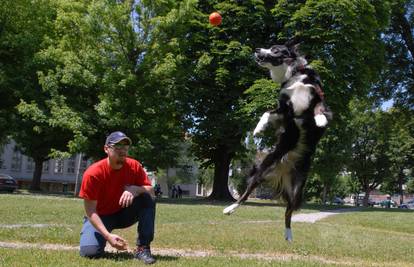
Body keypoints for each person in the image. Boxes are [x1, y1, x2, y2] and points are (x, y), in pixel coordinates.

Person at [79, 131, 156, 264]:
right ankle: (95, 237)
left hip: (124, 213)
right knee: (90, 252)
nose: (122, 151)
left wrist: (135, 189)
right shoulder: (93, 174)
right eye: (117, 147)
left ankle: (142, 248)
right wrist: (108, 236)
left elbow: (151, 192)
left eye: (125, 148)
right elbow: (90, 211)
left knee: (146, 198)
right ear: (106, 149)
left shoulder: (134, 166)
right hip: (101, 216)